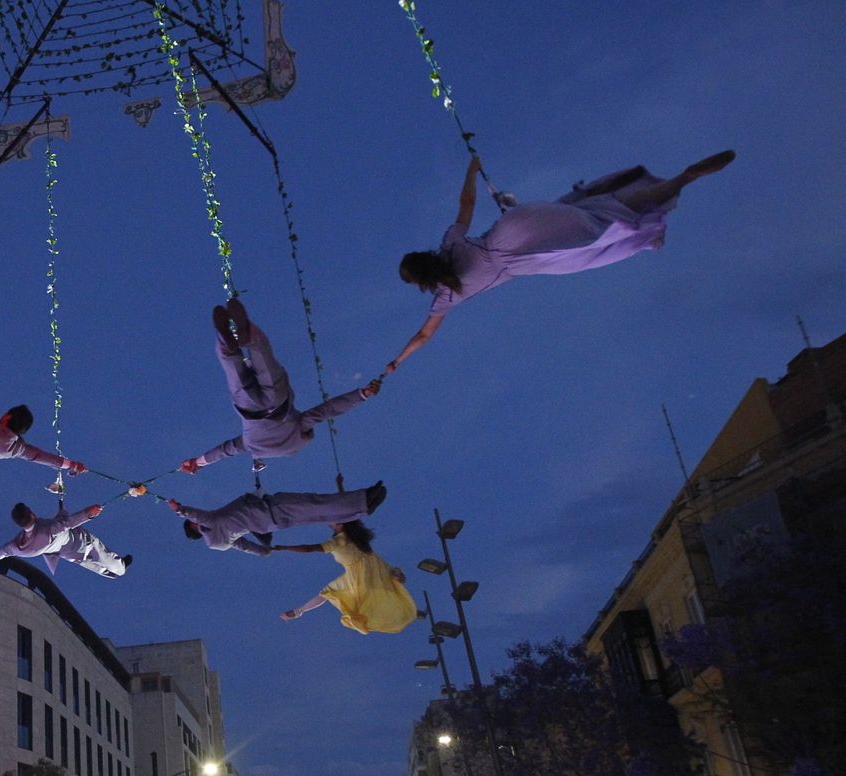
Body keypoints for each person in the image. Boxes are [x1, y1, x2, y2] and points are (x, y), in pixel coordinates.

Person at [387, 150, 736, 374]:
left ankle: (679, 186)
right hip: (517, 223)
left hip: (524, 255)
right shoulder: (449, 243)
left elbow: (423, 335)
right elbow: (466, 205)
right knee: (596, 209)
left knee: (602, 238)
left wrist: (396, 363)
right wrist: (472, 168)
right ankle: (677, 180)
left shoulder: (447, 296)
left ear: (420, 282)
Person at [181, 296, 381, 471]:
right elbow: (225, 450)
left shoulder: (297, 435)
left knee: (262, 357)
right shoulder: (252, 447)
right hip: (247, 407)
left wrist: (361, 394)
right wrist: (197, 462)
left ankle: (248, 334)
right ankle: (226, 343)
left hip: (277, 399)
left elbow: (326, 410)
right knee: (232, 366)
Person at [273, 519, 418, 633]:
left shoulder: (339, 541)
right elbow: (346, 509)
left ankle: (298, 612)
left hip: (360, 575)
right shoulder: (356, 538)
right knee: (327, 592)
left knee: (329, 593)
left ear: (340, 525)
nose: (329, 521)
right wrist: (340, 484)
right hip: (374, 567)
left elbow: (310, 548)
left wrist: (284, 548)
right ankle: (297, 612)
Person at [169, 483, 386, 555]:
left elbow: (242, 546)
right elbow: (199, 515)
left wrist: (264, 551)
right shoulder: (211, 524)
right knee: (315, 504)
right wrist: (179, 509)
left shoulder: (218, 542)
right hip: (268, 509)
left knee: (317, 513)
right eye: (194, 522)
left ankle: (362, 506)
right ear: (194, 527)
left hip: (271, 521)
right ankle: (363, 502)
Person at [0, 501, 131, 577]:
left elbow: (1, 552)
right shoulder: (46, 531)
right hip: (83, 542)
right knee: (105, 557)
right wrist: (88, 513)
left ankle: (106, 571)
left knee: (88, 563)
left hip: (69, 554)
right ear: (32, 513)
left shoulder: (19, 544)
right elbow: (68, 523)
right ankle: (121, 567)